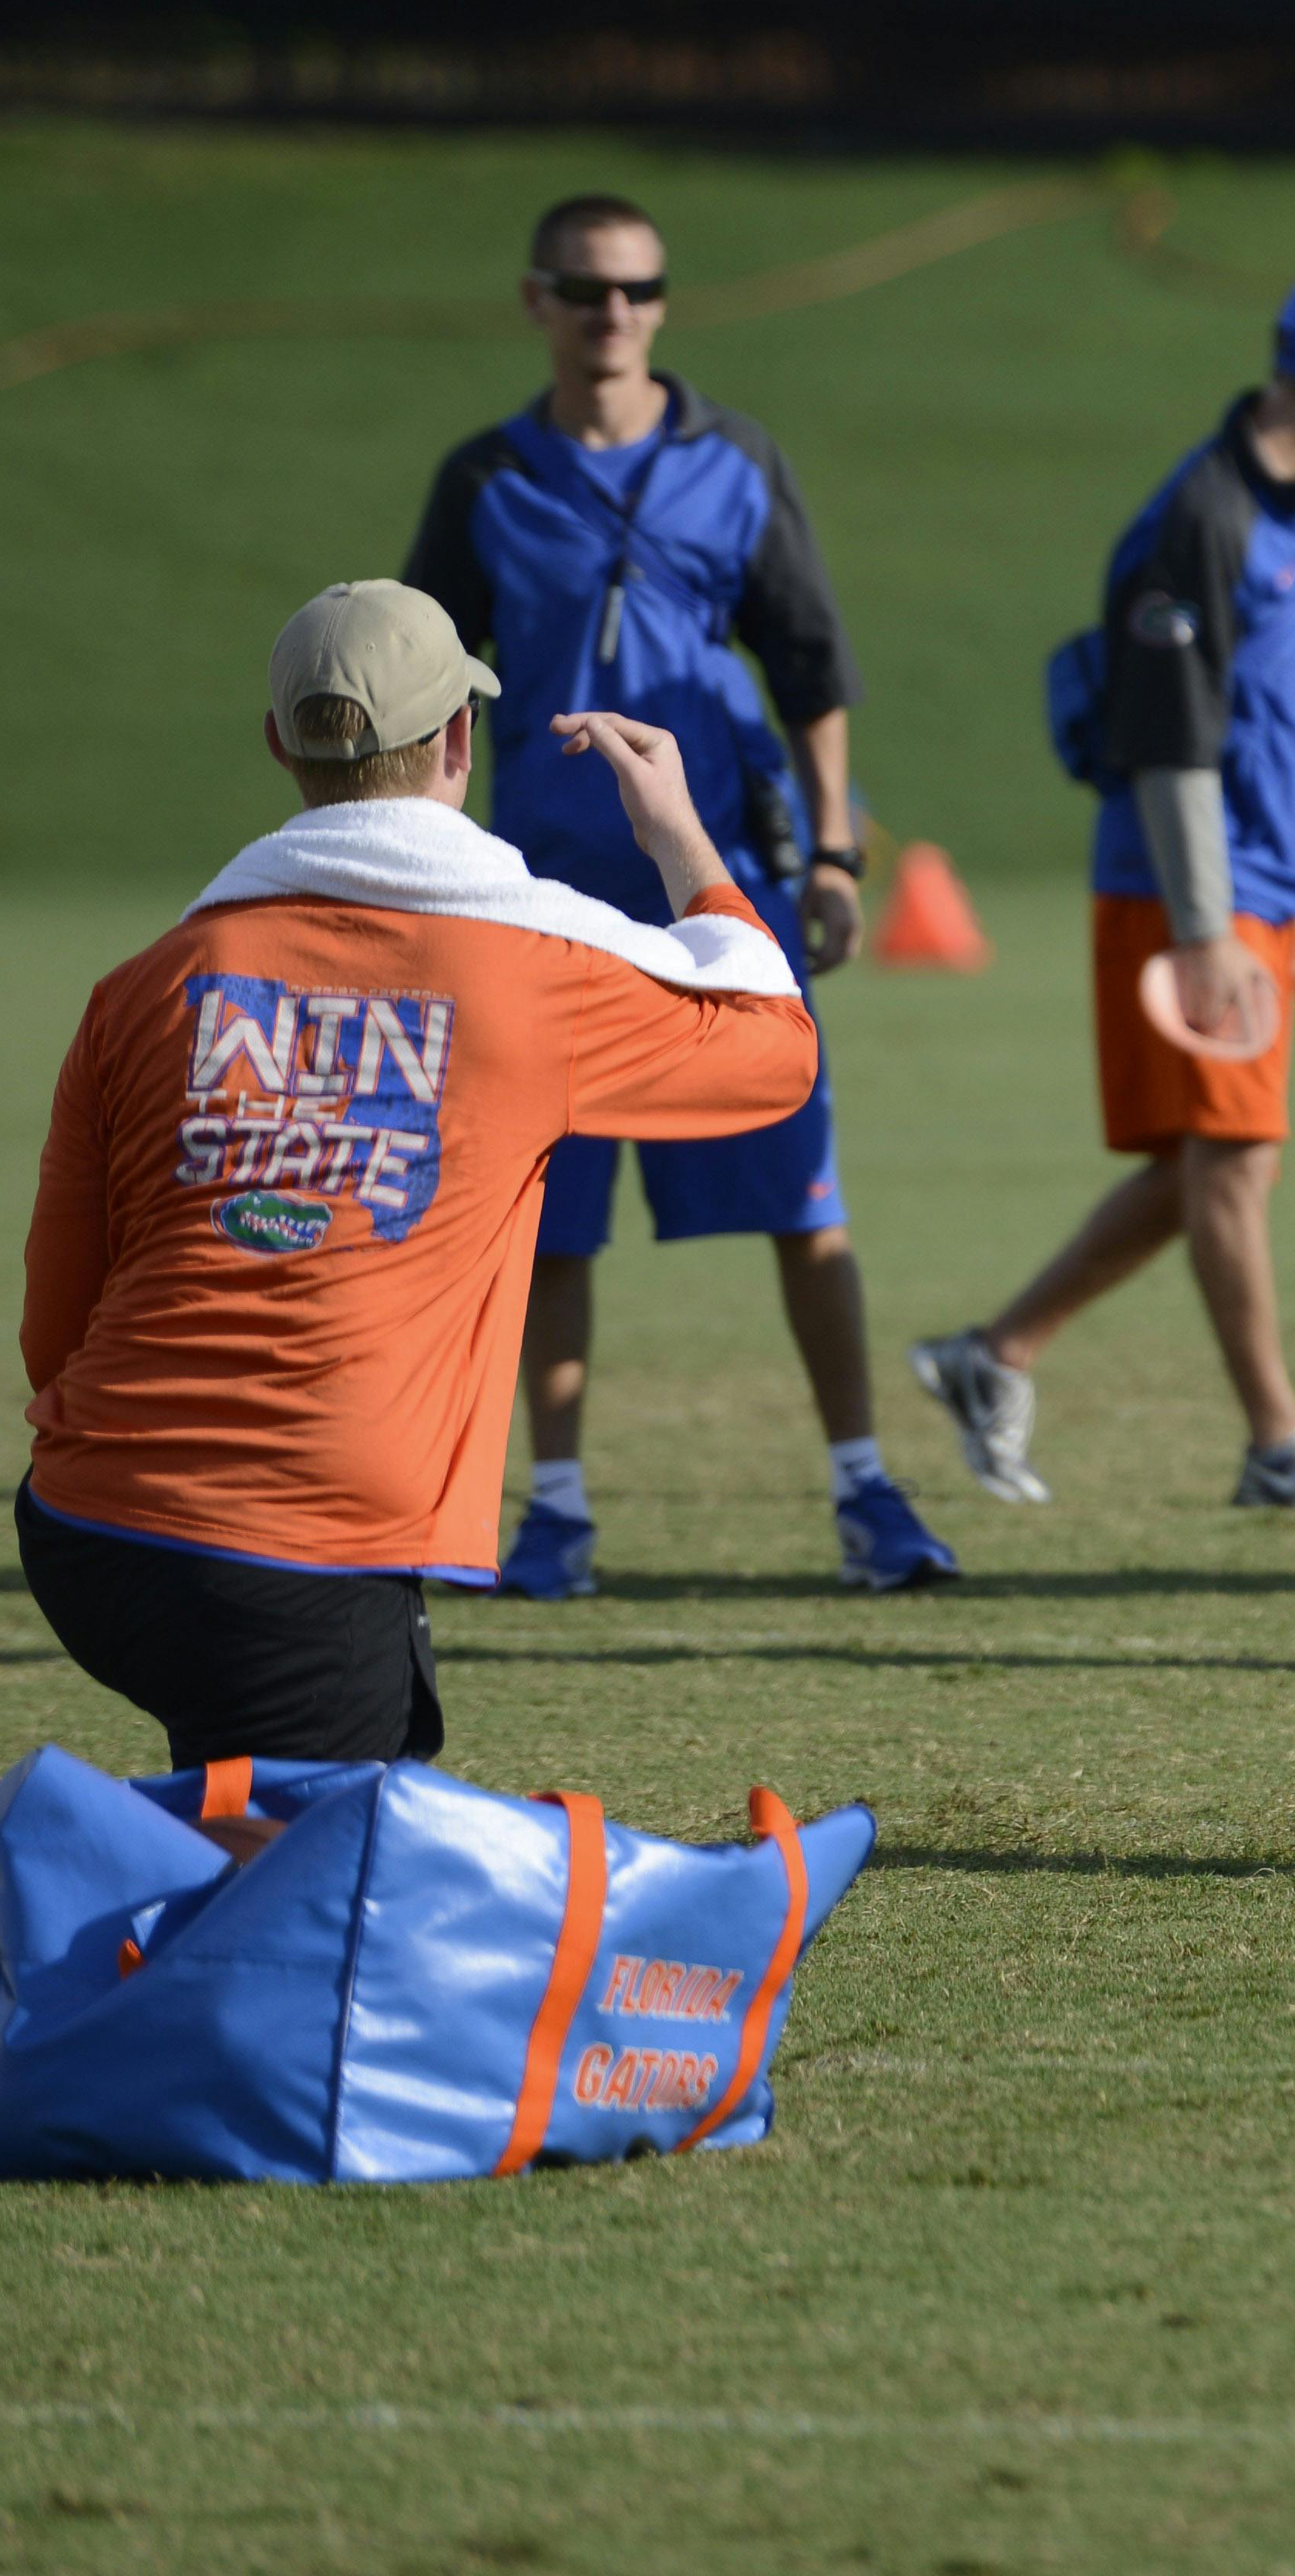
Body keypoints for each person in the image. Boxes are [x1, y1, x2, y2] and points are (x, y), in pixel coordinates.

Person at [18, 586, 814, 1763]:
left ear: (281, 744)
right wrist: (677, 839)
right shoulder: (534, 964)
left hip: (84, 1527)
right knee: (331, 1892)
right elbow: (773, 1047)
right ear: (458, 740)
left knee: (256, 1808)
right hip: (306, 1538)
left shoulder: (145, 983)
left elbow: (55, 1321)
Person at [403, 192, 953, 1598]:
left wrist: (832, 857)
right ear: (537, 301)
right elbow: (418, 681)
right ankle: (558, 1516)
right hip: (540, 900)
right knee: (548, 1216)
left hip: (719, 898)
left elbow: (812, 670)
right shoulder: (486, 480)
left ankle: (867, 1497)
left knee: (801, 1199)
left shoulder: (734, 461)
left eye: (639, 289)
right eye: (587, 292)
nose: (616, 315)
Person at [906, 266, 1295, 1520]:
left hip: (1265, 885)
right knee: (1229, 1162)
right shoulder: (1200, 518)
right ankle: (1278, 1443)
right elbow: (1169, 739)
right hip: (1184, 894)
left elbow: (1277, 715)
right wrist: (1211, 924)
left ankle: (991, 1356)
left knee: (1218, 1168)